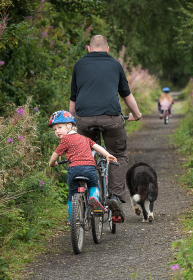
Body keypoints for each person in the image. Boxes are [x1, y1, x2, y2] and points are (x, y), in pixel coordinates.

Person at [69, 35, 142, 223]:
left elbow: (73, 100)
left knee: (85, 153)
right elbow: (126, 94)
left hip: (83, 119)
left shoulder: (79, 65)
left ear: (88, 48)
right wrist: (137, 114)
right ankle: (115, 197)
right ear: (108, 49)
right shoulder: (115, 64)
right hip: (111, 118)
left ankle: (89, 191)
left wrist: (72, 123)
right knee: (117, 153)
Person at [48, 110, 117, 225]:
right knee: (93, 185)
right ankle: (94, 197)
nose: (57, 131)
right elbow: (96, 146)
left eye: (59, 127)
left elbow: (56, 154)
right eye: (54, 129)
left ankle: (72, 219)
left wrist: (51, 163)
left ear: (69, 126)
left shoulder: (65, 140)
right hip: (90, 168)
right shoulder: (84, 138)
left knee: (72, 193)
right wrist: (107, 155)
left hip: (74, 169)